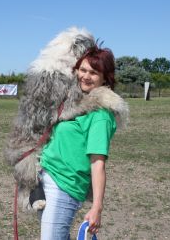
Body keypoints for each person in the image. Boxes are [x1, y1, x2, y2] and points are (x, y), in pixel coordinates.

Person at [39, 46, 123, 239]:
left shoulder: (100, 115)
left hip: (65, 186)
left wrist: (97, 208)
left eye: (94, 73)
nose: (85, 76)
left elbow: (98, 163)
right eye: (83, 70)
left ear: (105, 78)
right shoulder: (74, 103)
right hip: (45, 178)